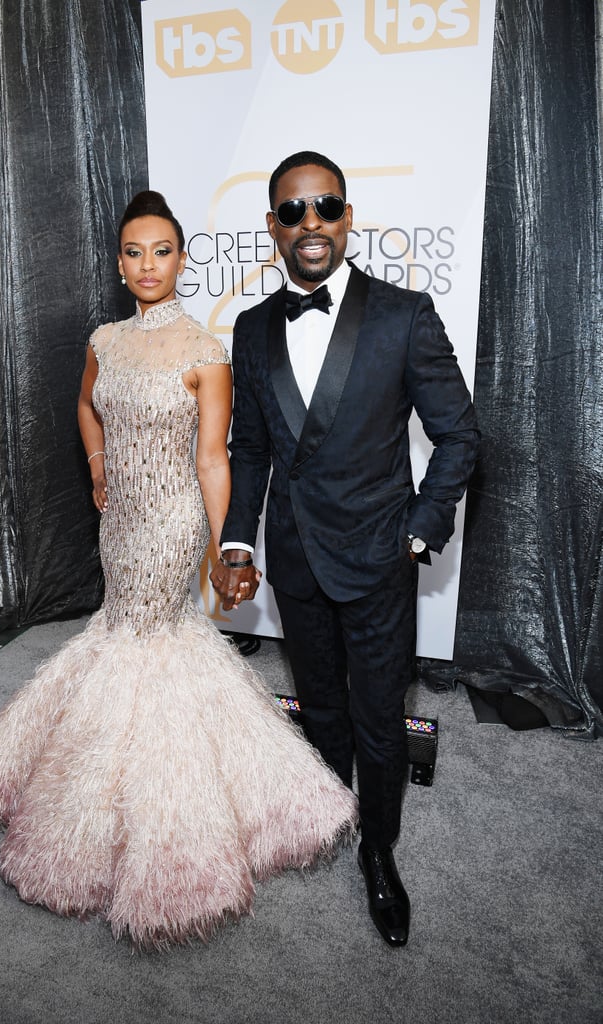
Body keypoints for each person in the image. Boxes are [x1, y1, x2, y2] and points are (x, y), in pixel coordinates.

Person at [0, 190, 357, 950]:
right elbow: (87, 405)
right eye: (132, 252)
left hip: (171, 522)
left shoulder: (204, 351)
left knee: (141, 639)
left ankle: (146, 832)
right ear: (120, 262)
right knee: (124, 634)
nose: (146, 266)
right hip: (120, 518)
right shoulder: (105, 338)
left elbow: (212, 458)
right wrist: (98, 463)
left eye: (160, 251)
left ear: (182, 260)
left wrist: (225, 543)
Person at [210, 152, 480, 947]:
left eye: (324, 206)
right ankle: (330, 814)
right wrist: (234, 541)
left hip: (375, 556)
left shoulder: (402, 313)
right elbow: (250, 446)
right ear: (272, 229)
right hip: (293, 557)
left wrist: (420, 526)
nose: (310, 223)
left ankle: (378, 850)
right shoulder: (253, 328)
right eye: (292, 212)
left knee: (376, 714)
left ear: (347, 216)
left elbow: (458, 434)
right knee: (318, 704)